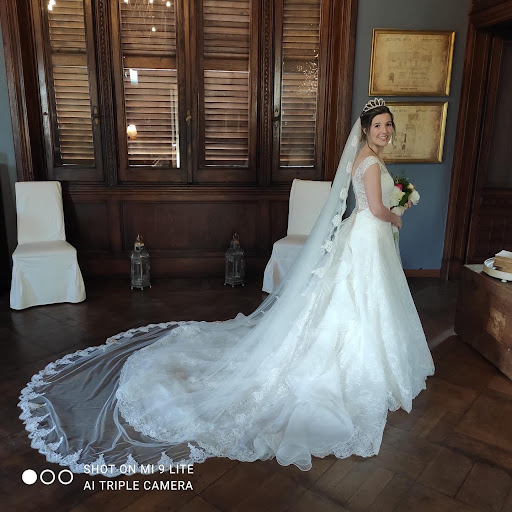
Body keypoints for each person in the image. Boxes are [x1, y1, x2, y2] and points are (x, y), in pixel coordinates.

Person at [19, 99, 434, 476]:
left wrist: (392, 207)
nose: (384, 131)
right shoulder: (372, 163)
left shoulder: (363, 159)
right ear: (365, 129)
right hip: (367, 237)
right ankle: (367, 367)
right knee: (361, 301)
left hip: (362, 237)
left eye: (388, 125)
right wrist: (397, 214)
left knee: (356, 301)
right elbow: (375, 209)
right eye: (378, 125)